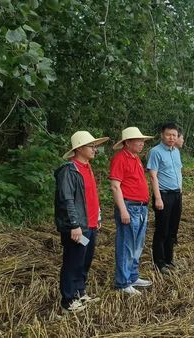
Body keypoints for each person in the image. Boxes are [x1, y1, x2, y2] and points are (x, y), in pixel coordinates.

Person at [54, 131, 108, 313]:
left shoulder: (87, 168)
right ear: (78, 149)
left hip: (90, 226)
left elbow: (91, 196)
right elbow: (66, 200)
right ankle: (68, 301)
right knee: (73, 261)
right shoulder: (69, 170)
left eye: (95, 146)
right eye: (91, 146)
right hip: (78, 228)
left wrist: (97, 216)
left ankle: (80, 293)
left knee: (84, 260)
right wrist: (74, 225)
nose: (95, 149)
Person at [109, 127, 155, 295]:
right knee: (127, 245)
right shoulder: (120, 158)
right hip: (130, 207)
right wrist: (123, 210)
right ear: (127, 142)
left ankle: (133, 275)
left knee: (137, 244)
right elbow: (115, 186)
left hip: (141, 206)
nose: (142, 143)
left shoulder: (135, 158)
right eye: (138, 140)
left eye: (142, 140)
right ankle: (122, 282)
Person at [147, 123, 183, 274]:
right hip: (163, 194)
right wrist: (158, 198)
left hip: (176, 194)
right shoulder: (156, 152)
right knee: (162, 229)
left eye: (174, 135)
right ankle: (159, 263)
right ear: (162, 135)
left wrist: (181, 190)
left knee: (173, 229)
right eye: (168, 134)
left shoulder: (176, 151)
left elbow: (179, 171)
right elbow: (153, 176)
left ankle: (169, 259)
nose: (171, 138)